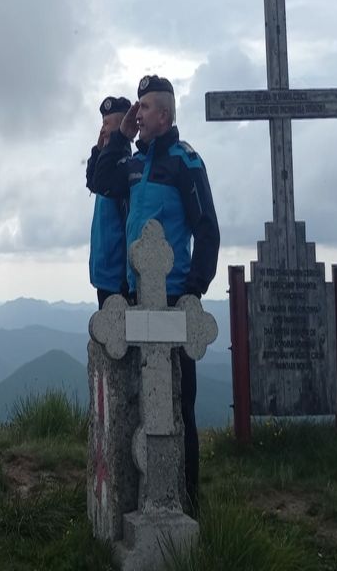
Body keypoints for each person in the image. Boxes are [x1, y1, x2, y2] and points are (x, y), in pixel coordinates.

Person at [93, 74, 220, 511]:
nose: (137, 114)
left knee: (178, 406)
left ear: (163, 115)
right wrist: (120, 137)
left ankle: (187, 503)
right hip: (133, 299)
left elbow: (207, 229)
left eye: (144, 108)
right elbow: (99, 180)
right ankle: (139, 498)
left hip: (171, 302)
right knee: (138, 400)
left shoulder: (186, 162)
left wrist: (192, 291)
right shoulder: (132, 164)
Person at [86, 96, 131, 309]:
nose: (103, 130)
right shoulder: (105, 170)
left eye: (108, 124)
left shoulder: (126, 169)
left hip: (118, 280)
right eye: (102, 123)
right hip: (103, 276)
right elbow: (92, 183)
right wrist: (98, 150)